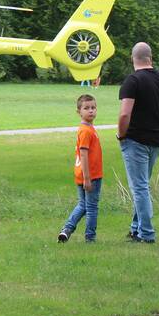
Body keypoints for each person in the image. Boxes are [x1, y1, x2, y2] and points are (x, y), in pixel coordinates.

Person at [117, 42, 159, 244]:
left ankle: (147, 233)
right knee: (142, 185)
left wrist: (121, 135)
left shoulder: (132, 81)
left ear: (132, 58)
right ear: (151, 57)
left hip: (135, 140)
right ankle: (136, 229)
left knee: (139, 188)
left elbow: (125, 113)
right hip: (155, 140)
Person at [57, 94, 103, 243]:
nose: (91, 110)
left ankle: (67, 230)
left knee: (83, 205)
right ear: (79, 112)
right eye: (86, 108)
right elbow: (83, 154)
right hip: (90, 175)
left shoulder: (88, 128)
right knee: (92, 207)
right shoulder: (86, 131)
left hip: (84, 174)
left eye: (93, 107)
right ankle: (90, 237)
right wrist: (87, 178)